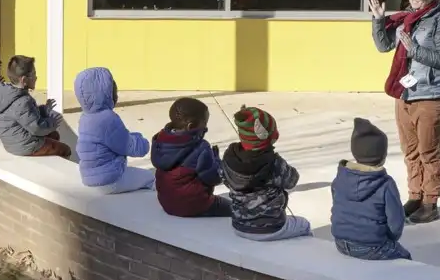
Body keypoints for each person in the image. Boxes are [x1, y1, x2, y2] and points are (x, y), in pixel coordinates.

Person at [369, 0, 440, 224]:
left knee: (428, 151)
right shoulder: (407, 18)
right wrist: (379, 20)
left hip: (431, 95)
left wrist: (415, 50)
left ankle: (430, 202)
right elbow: (384, 45)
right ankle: (415, 195)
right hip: (405, 93)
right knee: (410, 150)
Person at [220, 106, 311, 241]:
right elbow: (292, 181)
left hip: (238, 225)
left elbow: (223, 177)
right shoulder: (273, 163)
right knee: (304, 225)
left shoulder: (229, 157)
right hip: (271, 227)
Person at [331, 117, 411, 261]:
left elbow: (337, 207)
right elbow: (396, 222)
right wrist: (390, 239)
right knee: (405, 258)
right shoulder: (385, 184)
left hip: (340, 242)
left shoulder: (340, 178)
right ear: (382, 156)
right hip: (372, 247)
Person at [74, 66, 155, 192]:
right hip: (110, 180)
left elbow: (115, 139)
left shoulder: (85, 117)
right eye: (113, 90)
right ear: (103, 94)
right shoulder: (107, 119)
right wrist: (144, 143)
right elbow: (128, 146)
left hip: (89, 178)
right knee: (151, 178)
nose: (116, 94)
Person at [151, 97, 231, 217]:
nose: (206, 128)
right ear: (191, 126)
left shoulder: (160, 140)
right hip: (193, 205)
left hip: (167, 204)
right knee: (235, 209)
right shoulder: (201, 147)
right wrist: (217, 160)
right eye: (205, 124)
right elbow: (214, 178)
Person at [0, 55, 71, 158]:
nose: (36, 78)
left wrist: (44, 109)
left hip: (13, 140)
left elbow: (28, 116)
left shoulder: (10, 94)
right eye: (34, 75)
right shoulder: (22, 101)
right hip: (24, 145)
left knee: (54, 135)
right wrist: (52, 122)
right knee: (65, 150)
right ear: (24, 80)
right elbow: (36, 128)